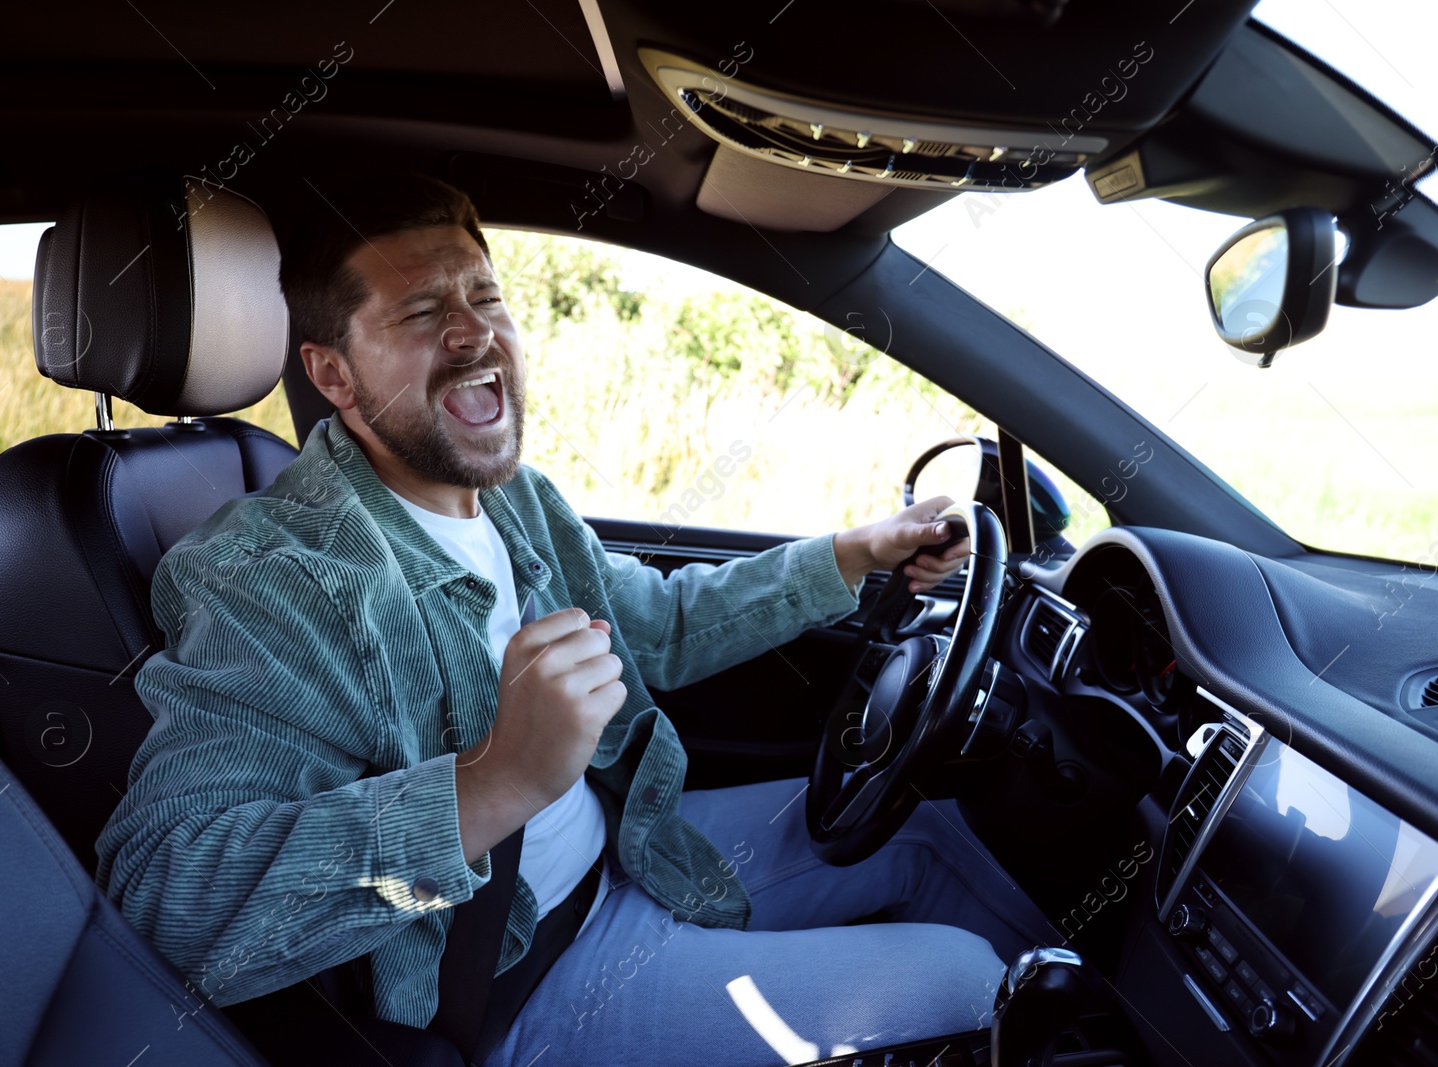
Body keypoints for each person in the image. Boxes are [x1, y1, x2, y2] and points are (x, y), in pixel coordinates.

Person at [95, 174, 1052, 1066]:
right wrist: (493, 780)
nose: (475, 335)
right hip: (522, 975)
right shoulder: (274, 577)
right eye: (423, 312)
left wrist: (855, 550)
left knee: (932, 827)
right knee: (970, 985)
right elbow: (174, 903)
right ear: (334, 376)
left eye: (486, 297)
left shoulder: (513, 498)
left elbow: (657, 626)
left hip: (635, 847)